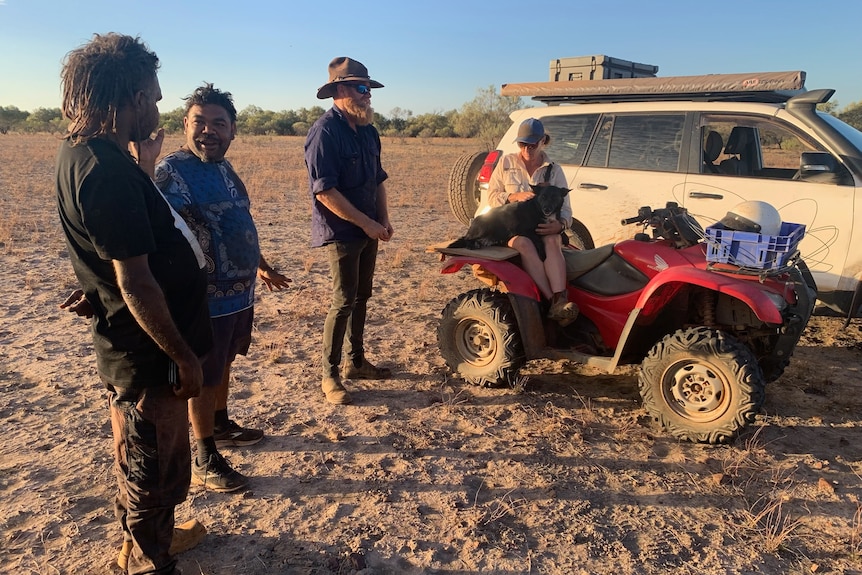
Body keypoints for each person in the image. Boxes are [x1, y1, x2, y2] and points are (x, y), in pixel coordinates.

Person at [55, 33, 212, 575]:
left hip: (136, 341)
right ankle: (148, 557)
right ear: (130, 95)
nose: (160, 101)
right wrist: (186, 357)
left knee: (147, 451)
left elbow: (109, 255)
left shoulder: (91, 156)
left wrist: (94, 286)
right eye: (154, 91)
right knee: (153, 461)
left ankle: (154, 537)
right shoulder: (105, 171)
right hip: (147, 353)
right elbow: (137, 281)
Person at [154, 83, 291, 493]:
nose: (209, 131)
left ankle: (220, 421)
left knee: (224, 363)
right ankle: (203, 453)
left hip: (240, 291)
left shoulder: (225, 169)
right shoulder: (170, 172)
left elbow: (237, 223)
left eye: (219, 123)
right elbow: (161, 234)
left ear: (233, 130)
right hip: (204, 298)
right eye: (200, 123)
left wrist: (261, 266)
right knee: (202, 371)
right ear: (185, 125)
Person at [305, 57, 394, 405]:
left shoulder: (369, 132)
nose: (367, 95)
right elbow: (325, 191)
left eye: (368, 88)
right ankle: (330, 375)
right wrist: (366, 223)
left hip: (370, 230)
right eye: (361, 88)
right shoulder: (324, 132)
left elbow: (378, 180)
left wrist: (383, 219)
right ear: (340, 91)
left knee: (361, 297)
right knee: (342, 301)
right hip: (342, 232)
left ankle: (356, 362)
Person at [477, 117, 578, 322]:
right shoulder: (506, 162)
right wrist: (513, 197)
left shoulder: (554, 170)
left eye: (532, 144)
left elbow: (567, 210)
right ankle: (553, 303)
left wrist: (560, 225)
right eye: (523, 144)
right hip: (512, 228)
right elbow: (492, 196)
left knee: (552, 240)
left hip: (543, 228)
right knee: (522, 243)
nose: (527, 150)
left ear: (543, 141)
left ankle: (560, 297)